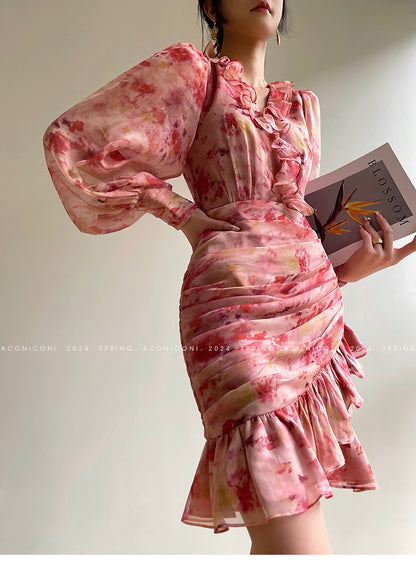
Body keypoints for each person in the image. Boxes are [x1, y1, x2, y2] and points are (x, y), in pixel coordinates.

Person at [42, 0, 416, 555]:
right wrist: (183, 214)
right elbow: (74, 142)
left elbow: (300, 223)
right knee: (294, 532)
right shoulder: (194, 74)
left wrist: (349, 271)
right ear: (211, 4)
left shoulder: (303, 106)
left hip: (312, 310)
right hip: (231, 306)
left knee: (283, 529)